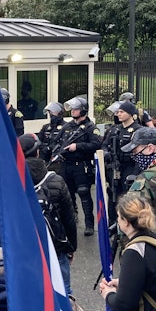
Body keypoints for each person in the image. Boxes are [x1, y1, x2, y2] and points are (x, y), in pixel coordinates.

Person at [20, 134, 77, 295]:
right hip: (56, 247)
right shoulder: (56, 180)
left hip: (25, 249)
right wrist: (71, 247)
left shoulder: (11, 181)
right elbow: (69, 218)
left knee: (31, 294)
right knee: (63, 294)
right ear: (37, 153)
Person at [56, 96, 100, 236]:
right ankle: (71, 220)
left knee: (84, 194)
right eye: (72, 109)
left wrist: (78, 146)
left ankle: (89, 225)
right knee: (67, 195)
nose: (73, 111)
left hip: (81, 166)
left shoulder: (90, 128)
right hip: (66, 166)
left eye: (76, 109)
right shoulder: (67, 126)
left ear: (83, 110)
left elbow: (96, 144)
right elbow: (57, 141)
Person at [103, 100, 142, 204]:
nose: (118, 114)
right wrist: (106, 152)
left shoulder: (138, 130)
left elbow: (141, 154)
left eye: (122, 112)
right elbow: (104, 145)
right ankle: (112, 220)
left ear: (130, 114)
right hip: (114, 167)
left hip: (129, 167)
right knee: (112, 195)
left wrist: (135, 174)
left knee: (127, 197)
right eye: (118, 112)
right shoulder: (114, 130)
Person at [37, 102, 66, 166]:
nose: (51, 114)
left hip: (58, 160)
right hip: (45, 159)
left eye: (53, 112)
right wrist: (44, 148)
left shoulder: (66, 127)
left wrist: (50, 148)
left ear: (59, 113)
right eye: (50, 112)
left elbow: (64, 144)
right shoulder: (46, 127)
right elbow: (38, 140)